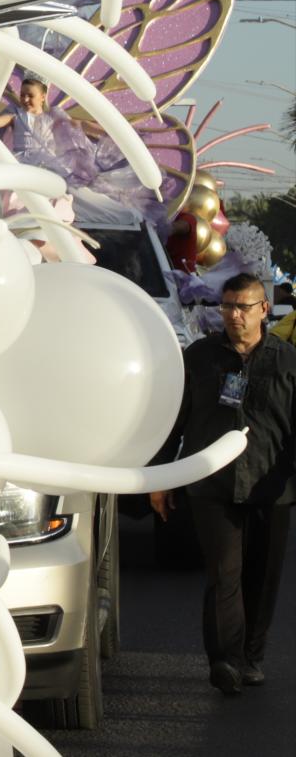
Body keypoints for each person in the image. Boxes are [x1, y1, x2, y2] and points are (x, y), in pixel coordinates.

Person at [150, 271, 296, 695]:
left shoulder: (288, 361)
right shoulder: (199, 358)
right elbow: (172, 421)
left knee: (262, 577)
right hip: (212, 486)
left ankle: (251, 656)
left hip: (273, 488)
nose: (233, 315)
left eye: (243, 307)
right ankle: (225, 661)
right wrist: (160, 478)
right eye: (227, 306)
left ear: (264, 310)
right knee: (223, 573)